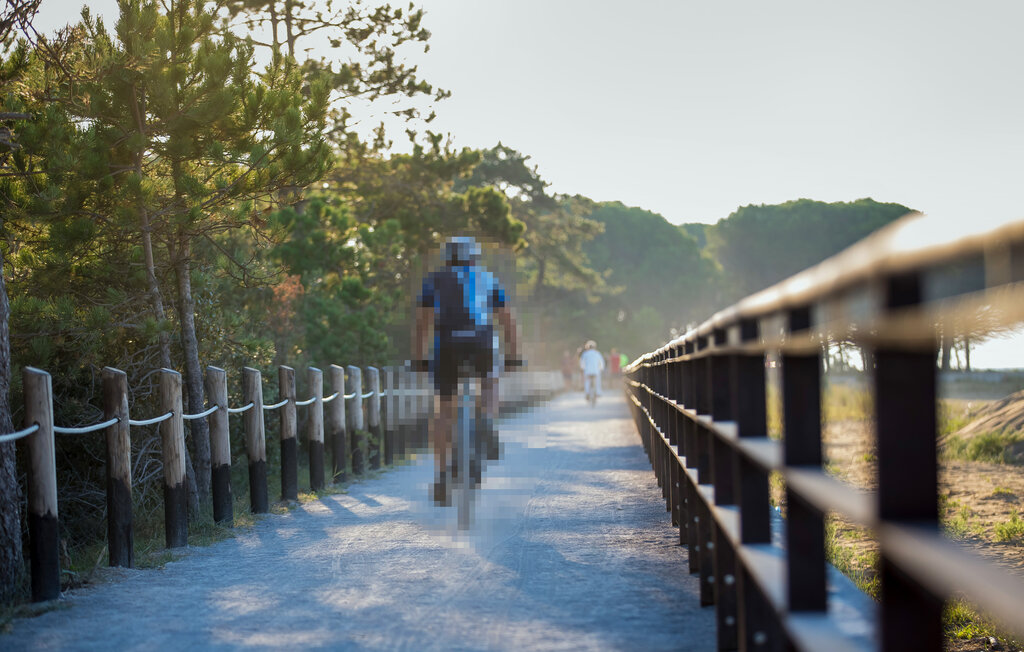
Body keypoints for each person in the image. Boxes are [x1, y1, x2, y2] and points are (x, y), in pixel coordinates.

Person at [412, 236, 521, 505]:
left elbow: (422, 323)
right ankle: (486, 421)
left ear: (447, 258)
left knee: (443, 410)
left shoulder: (435, 280)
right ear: (474, 257)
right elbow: (508, 320)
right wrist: (513, 357)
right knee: (490, 381)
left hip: (447, 347)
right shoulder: (488, 278)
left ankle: (441, 476)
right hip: (481, 344)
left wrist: (419, 359)